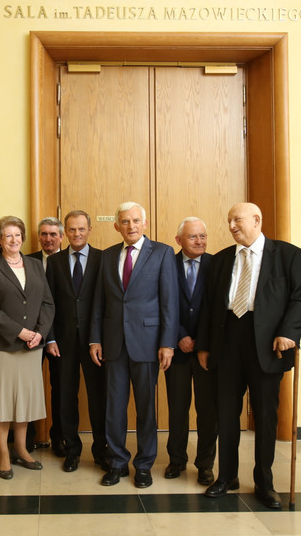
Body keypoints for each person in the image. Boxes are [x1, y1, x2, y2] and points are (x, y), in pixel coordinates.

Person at [198, 202, 301, 509]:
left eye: (237, 219)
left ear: (256, 220)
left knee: (265, 416)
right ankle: (226, 476)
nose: (231, 226)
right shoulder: (221, 259)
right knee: (226, 414)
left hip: (268, 345)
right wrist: (204, 345)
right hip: (227, 343)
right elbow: (209, 305)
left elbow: (300, 298)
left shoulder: (287, 255)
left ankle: (264, 482)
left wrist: (289, 332)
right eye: (229, 220)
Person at [90, 201, 179, 489]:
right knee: (114, 407)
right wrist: (95, 338)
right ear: (117, 226)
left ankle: (144, 465)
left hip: (148, 343)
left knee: (146, 408)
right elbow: (99, 302)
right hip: (113, 343)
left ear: (145, 223)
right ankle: (117, 462)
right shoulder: (107, 256)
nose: (131, 226)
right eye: (125, 222)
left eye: (136, 220)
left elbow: (169, 301)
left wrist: (168, 343)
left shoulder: (162, 252)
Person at [0, 216, 55, 479]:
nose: (14, 240)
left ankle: (21, 449)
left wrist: (40, 333)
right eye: (8, 235)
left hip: (31, 346)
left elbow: (47, 303)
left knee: (24, 402)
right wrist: (19, 331)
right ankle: (3, 453)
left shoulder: (35, 265)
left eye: (18, 235)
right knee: (2, 403)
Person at [45, 210, 107, 472]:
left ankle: (101, 450)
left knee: (98, 398)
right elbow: (48, 303)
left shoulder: (103, 258)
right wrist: (50, 338)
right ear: (65, 233)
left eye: (81, 229)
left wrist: (99, 338)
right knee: (66, 397)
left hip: (95, 342)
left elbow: (106, 301)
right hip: (63, 342)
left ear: (90, 229)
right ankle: (72, 450)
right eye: (72, 229)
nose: (77, 233)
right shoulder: (55, 262)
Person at [164, 217, 217, 485]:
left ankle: (205, 465)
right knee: (177, 408)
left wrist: (202, 342)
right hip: (177, 350)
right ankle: (176, 460)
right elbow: (163, 304)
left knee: (208, 411)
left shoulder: (216, 265)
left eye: (203, 236)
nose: (199, 241)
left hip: (207, 351)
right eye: (193, 236)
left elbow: (217, 308)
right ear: (179, 240)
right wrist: (180, 335)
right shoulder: (167, 264)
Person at [27, 216, 65, 455]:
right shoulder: (26, 261)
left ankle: (59, 438)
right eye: (44, 234)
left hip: (60, 337)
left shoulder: (68, 260)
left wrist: (51, 336)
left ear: (61, 236)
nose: (48, 238)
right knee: (28, 387)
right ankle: (27, 439)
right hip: (30, 335)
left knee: (60, 389)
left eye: (53, 234)